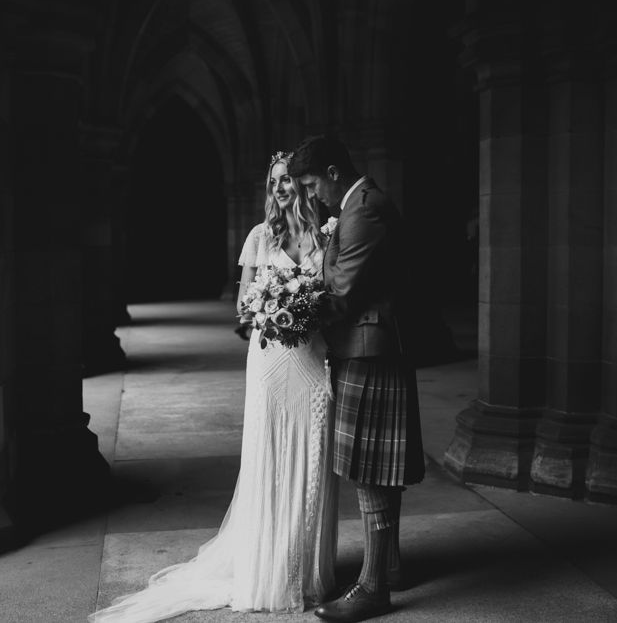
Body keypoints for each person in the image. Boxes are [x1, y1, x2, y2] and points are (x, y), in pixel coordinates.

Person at [88, 151, 338, 622]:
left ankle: (308, 569)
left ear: (304, 185)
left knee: (313, 451)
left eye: (288, 180)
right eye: (274, 181)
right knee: (271, 456)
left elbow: (337, 296)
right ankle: (271, 568)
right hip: (270, 359)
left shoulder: (326, 235)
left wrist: (308, 307)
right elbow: (244, 309)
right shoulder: (261, 238)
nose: (281, 188)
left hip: (312, 359)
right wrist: (270, 307)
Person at [287, 135, 425, 623]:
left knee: (370, 468)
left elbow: (343, 290)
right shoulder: (355, 206)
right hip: (368, 349)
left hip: (371, 351)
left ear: (331, 172)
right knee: (373, 465)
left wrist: (290, 315)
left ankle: (371, 589)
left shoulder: (361, 209)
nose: (310, 195)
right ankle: (386, 568)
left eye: (310, 184)